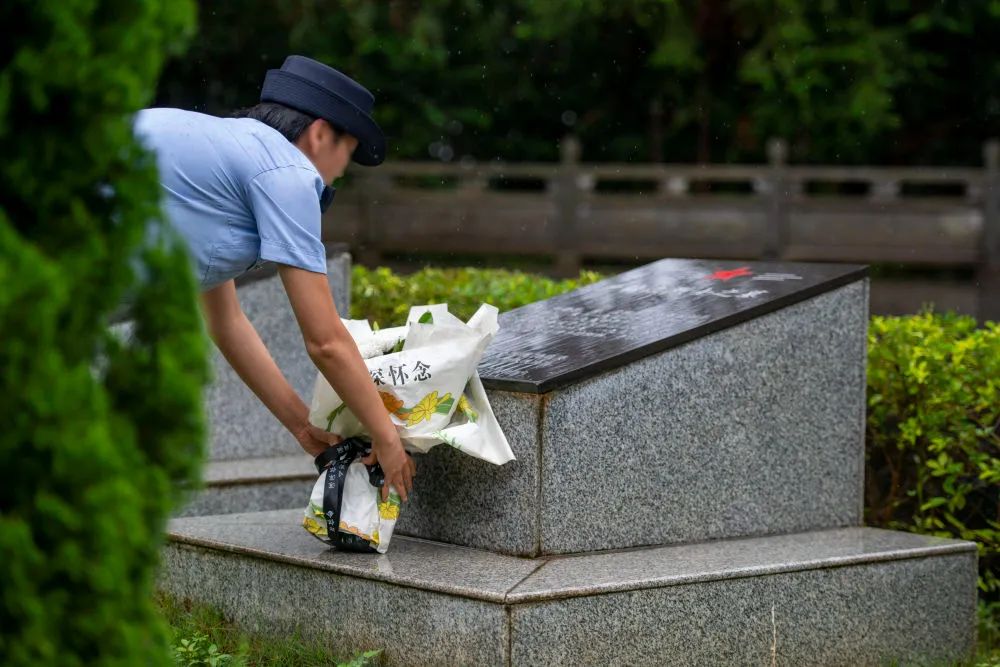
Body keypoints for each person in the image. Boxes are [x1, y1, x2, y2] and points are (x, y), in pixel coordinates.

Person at [133, 55, 415, 501]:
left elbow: (227, 322)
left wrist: (303, 426)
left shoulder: (229, 155)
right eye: (347, 153)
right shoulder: (288, 172)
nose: (341, 171)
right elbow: (325, 341)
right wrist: (388, 437)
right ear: (321, 133)